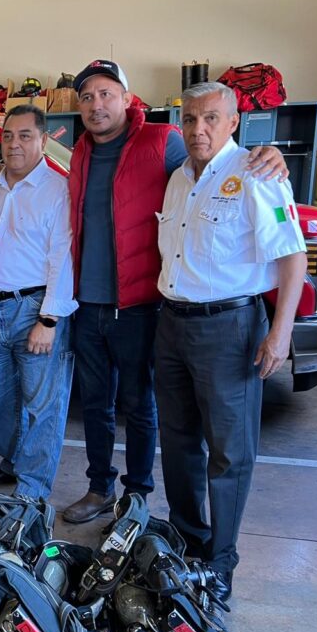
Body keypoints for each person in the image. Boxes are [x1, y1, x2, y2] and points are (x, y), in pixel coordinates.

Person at [61, 60, 290, 524]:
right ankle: (100, 486)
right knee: (95, 405)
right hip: (88, 302)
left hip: (142, 303)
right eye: (86, 97)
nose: (96, 104)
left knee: (140, 404)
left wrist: (268, 154)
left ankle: (137, 494)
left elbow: (212, 165)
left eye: (106, 94)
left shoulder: (162, 142)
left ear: (128, 98)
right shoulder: (80, 151)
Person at [154, 81, 306, 601]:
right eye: (191, 119)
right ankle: (187, 539)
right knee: (176, 444)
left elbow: (292, 258)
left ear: (233, 122)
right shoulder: (178, 178)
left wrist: (280, 332)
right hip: (172, 324)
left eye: (211, 119)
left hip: (229, 328)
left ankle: (220, 562)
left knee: (228, 452)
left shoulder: (257, 174)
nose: (199, 130)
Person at [0, 104, 76, 500]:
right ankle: (12, 461)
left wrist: (49, 320)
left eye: (24, 136)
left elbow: (62, 257)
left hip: (33, 309)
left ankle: (33, 487)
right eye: (7, 136)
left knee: (41, 404)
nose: (14, 144)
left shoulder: (57, 191)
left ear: (43, 140)